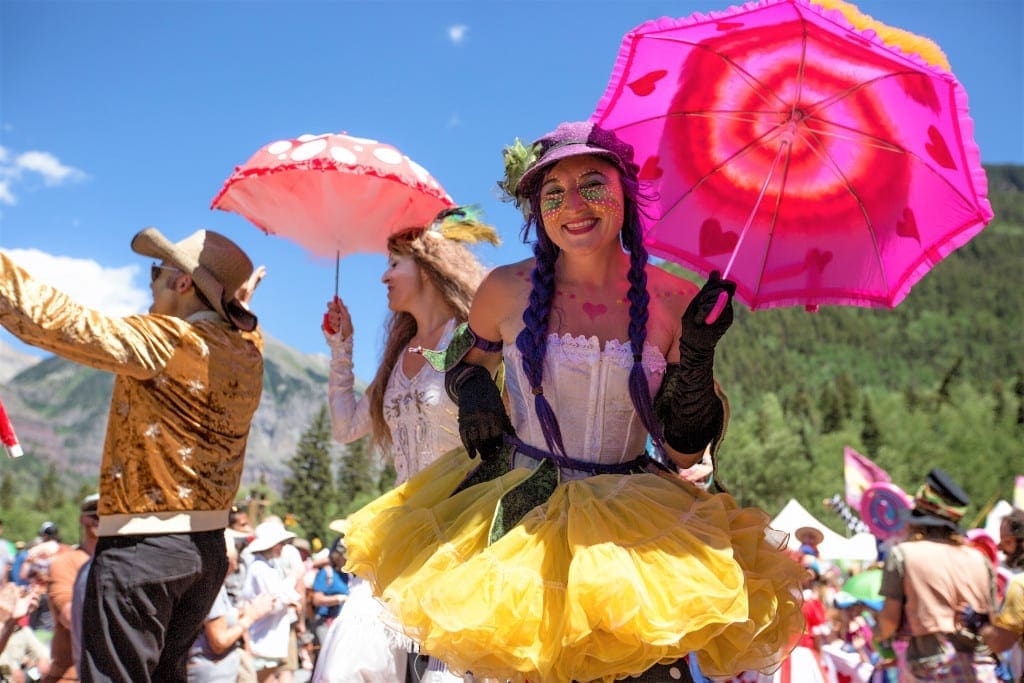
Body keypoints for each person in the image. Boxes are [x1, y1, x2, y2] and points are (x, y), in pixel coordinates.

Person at [340, 121, 804, 682]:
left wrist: (698, 354)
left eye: (592, 184)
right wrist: (477, 392)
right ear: (538, 211)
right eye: (553, 194)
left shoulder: (675, 299)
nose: (574, 205)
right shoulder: (505, 289)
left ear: (625, 192)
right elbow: (465, 364)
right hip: (520, 526)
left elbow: (685, 453)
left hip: (638, 532)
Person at [0, 227, 265, 682]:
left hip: (143, 549)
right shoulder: (248, 354)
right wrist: (231, 300)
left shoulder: (166, 341)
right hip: (204, 554)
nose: (150, 281)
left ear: (183, 283)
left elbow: (57, 322)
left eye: (157, 271)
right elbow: (241, 327)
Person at [313, 206, 500, 683]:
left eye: (395, 263)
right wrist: (342, 349)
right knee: (347, 657)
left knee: (447, 675)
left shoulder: (474, 342)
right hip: (399, 540)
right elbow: (346, 427)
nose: (383, 276)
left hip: (464, 535)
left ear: (430, 264)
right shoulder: (398, 357)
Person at [876, 468, 998, 682]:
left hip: (932, 668)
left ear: (918, 520)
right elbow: (992, 621)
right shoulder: (980, 559)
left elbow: (889, 620)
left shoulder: (903, 554)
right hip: (980, 668)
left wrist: (877, 636)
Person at [187, 534, 274, 683]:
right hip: (212, 674)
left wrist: (243, 613)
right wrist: (250, 617)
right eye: (234, 561)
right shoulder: (210, 588)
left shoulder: (214, 586)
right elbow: (219, 642)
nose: (235, 566)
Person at [42, 494, 99, 683]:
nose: (100, 520)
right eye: (95, 515)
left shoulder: (125, 564)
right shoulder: (65, 563)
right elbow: (69, 617)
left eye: (106, 515)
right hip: (70, 675)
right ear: (82, 519)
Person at [963, 507, 1024, 682]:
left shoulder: (1019, 584)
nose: (999, 547)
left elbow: (1002, 641)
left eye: (1007, 541)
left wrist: (980, 623)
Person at [242, 521, 304, 682]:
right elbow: (274, 600)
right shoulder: (261, 568)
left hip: (266, 636)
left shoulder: (263, 566)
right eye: (280, 543)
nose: (283, 546)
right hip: (263, 637)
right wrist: (293, 578)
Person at [310, 538, 349, 649]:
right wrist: (338, 599)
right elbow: (317, 600)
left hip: (342, 623)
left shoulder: (348, 575)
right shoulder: (326, 573)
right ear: (338, 556)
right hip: (325, 622)